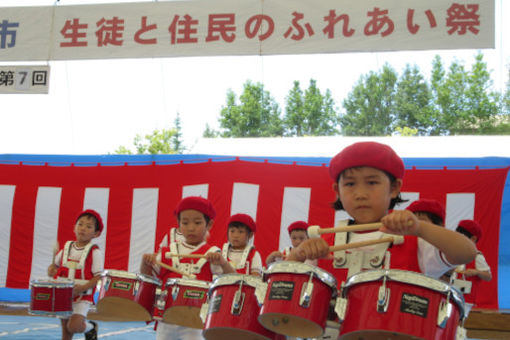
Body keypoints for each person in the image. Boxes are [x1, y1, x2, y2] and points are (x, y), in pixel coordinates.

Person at [287, 141, 477, 285]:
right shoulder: (326, 243)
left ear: (394, 187)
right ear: (337, 190)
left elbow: (466, 253)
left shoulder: (415, 242)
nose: (360, 194)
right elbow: (283, 286)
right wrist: (298, 255)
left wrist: (420, 228)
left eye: (372, 182)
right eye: (350, 184)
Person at [140, 196, 235, 340]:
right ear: (178, 225)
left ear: (209, 225)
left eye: (197, 222)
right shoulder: (167, 251)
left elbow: (233, 278)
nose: (191, 228)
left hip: (194, 321)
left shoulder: (213, 253)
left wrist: (223, 263)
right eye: (185, 222)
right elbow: (148, 278)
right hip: (167, 318)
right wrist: (145, 263)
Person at [47, 209, 104, 340]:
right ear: (74, 227)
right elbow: (54, 267)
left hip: (83, 296)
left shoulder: (95, 252)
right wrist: (51, 270)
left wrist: (84, 287)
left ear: (96, 234)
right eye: (80, 224)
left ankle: (90, 327)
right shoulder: (66, 248)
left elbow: (98, 276)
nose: (83, 228)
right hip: (64, 295)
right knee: (66, 333)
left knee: (73, 326)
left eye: (88, 226)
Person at [454, 219, 492, 305]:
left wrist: (476, 272)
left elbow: (488, 276)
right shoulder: (453, 252)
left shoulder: (477, 256)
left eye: (461, 237)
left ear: (473, 239)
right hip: (451, 294)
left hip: (466, 299)